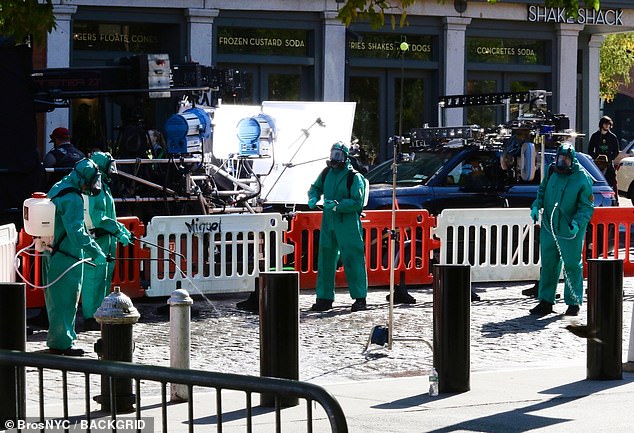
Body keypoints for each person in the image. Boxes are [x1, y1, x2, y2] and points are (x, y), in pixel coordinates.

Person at [44, 158, 107, 355]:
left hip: (52, 251)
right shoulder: (73, 198)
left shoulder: (59, 186)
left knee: (56, 301)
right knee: (66, 300)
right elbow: (77, 232)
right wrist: (97, 252)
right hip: (66, 255)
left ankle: (60, 339)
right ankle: (62, 343)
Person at [529, 142, 594, 317]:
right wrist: (536, 206)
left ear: (572, 159)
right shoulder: (552, 171)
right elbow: (541, 191)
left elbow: (586, 206)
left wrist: (578, 223)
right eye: (560, 158)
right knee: (549, 264)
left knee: (572, 265)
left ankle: (573, 302)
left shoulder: (581, 178)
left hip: (570, 230)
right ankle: (546, 301)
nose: (562, 162)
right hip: (549, 228)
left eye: (565, 158)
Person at [307, 142, 368, 312]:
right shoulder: (326, 173)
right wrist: (313, 197)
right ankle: (324, 298)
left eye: (338, 155)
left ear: (346, 157)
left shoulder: (353, 177)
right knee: (325, 259)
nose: (335, 159)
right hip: (329, 222)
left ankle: (360, 297)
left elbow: (358, 202)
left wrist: (338, 205)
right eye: (333, 154)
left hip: (347, 223)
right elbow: (315, 188)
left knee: (353, 259)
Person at [81, 152, 133, 331]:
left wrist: (119, 230)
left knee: (103, 278)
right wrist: (118, 230)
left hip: (106, 239)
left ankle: (99, 313)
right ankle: (90, 316)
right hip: (98, 238)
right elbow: (98, 218)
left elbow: (107, 215)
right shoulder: (95, 188)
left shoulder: (103, 186)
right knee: (93, 279)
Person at [587, 116, 619, 192]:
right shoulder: (595, 136)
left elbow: (616, 151)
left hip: (609, 163)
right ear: (601, 124)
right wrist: (596, 158)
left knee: (613, 182)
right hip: (597, 164)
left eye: (609, 124)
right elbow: (590, 150)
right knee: (596, 181)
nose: (607, 126)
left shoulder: (613, 137)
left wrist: (610, 159)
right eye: (605, 124)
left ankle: (615, 200)